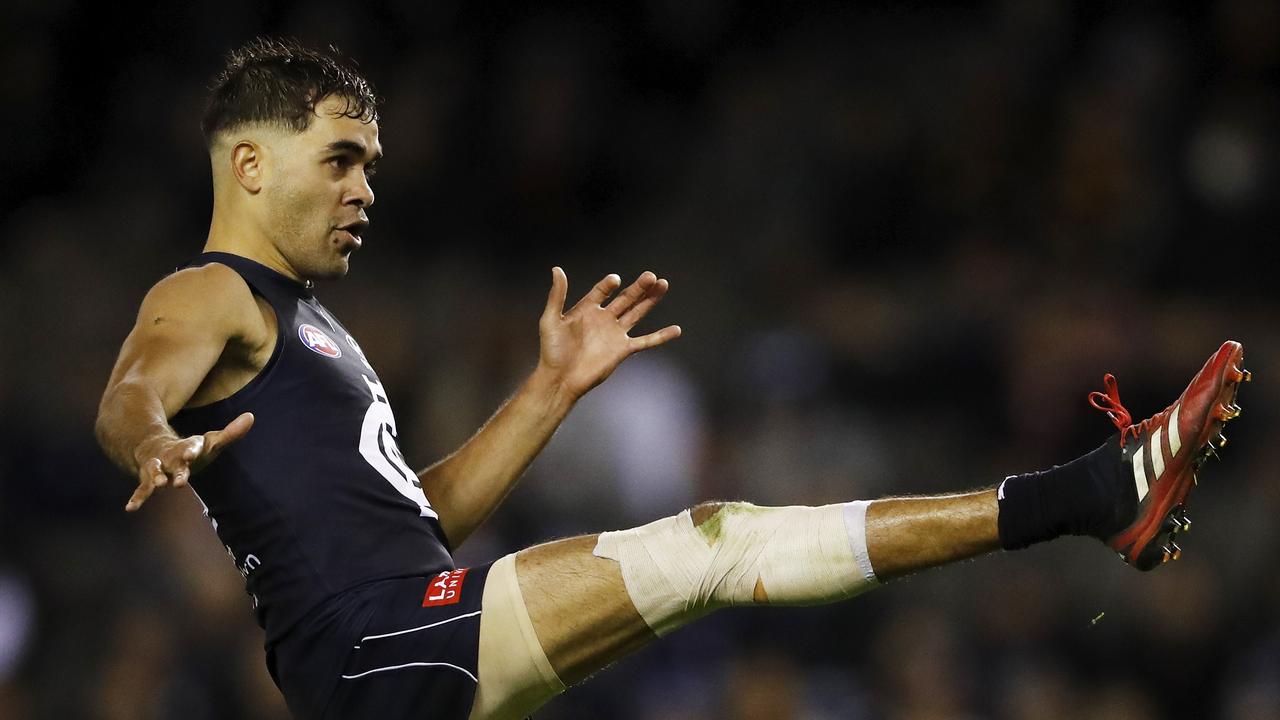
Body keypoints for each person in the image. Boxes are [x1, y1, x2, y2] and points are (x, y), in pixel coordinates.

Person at [94, 38, 1251, 720]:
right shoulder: (211, 293)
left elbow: (418, 524)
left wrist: (547, 392)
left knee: (718, 548)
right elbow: (129, 392)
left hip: (392, 633)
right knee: (713, 545)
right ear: (248, 164)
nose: (364, 188)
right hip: (369, 648)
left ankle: (1091, 495)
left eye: (372, 165)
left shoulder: (311, 328)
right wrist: (152, 437)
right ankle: (1089, 494)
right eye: (338, 158)